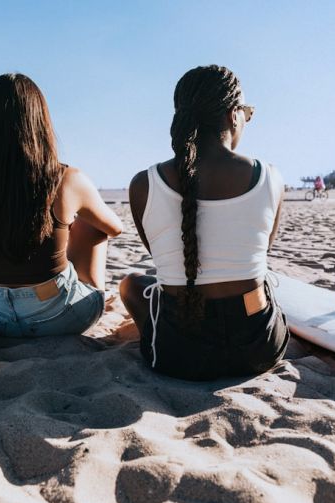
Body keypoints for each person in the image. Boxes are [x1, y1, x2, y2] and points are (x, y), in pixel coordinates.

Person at [119, 65, 288, 381]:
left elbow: (163, 260)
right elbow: (262, 253)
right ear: (233, 115)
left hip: (177, 353)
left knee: (130, 285)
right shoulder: (270, 178)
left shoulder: (144, 184)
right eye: (247, 114)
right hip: (258, 347)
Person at [0, 73, 122, 337]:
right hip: (59, 317)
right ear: (40, 122)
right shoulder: (66, 178)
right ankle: (91, 291)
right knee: (92, 227)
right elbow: (115, 228)